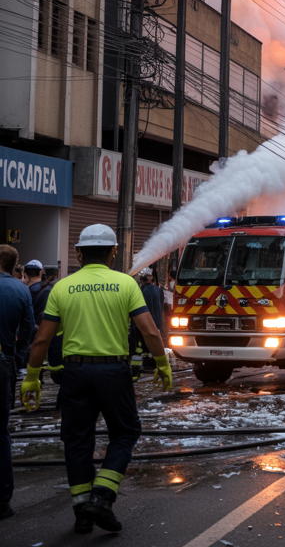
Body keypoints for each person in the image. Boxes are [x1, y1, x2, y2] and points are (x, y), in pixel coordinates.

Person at [21, 224, 172, 533]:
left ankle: (82, 512)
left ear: (79, 253)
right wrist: (162, 364)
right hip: (113, 372)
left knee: (77, 439)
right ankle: (102, 497)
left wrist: (32, 377)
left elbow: (42, 339)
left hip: (74, 373)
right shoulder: (126, 284)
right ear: (113, 252)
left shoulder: (62, 287)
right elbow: (150, 331)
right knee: (125, 432)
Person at [0, 244, 35, 520]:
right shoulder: (20, 290)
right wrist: (18, 355)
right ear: (14, 265)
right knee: (1, 432)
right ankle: (2, 501)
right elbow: (28, 331)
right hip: (3, 361)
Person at [130, 269, 165, 378]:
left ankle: (138, 367)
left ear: (141, 279)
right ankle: (151, 363)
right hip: (156, 325)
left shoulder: (141, 291)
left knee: (138, 348)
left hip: (141, 326)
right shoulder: (158, 291)